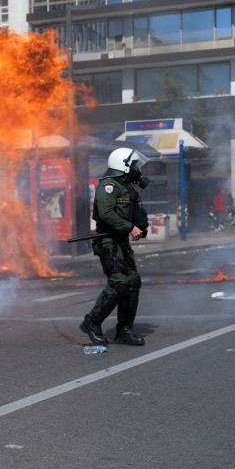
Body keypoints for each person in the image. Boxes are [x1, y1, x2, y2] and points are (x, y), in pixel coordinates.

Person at [79, 147, 150, 347]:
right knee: (120, 283)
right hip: (107, 242)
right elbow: (107, 213)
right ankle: (92, 321)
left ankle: (124, 330)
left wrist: (139, 227)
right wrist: (130, 227)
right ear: (123, 165)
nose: (137, 168)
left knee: (133, 282)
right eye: (134, 164)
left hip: (120, 241)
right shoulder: (109, 186)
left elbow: (131, 213)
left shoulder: (125, 186)